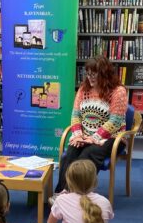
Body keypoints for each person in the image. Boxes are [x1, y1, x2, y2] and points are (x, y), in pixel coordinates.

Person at [51, 55, 128, 203]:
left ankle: (69, 195)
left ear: (104, 73)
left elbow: (115, 121)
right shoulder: (83, 89)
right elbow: (75, 115)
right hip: (85, 135)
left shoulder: (118, 91)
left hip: (112, 137)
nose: (90, 78)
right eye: (88, 74)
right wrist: (78, 135)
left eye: (94, 74)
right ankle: (60, 193)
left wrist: (93, 138)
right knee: (69, 154)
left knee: (87, 155)